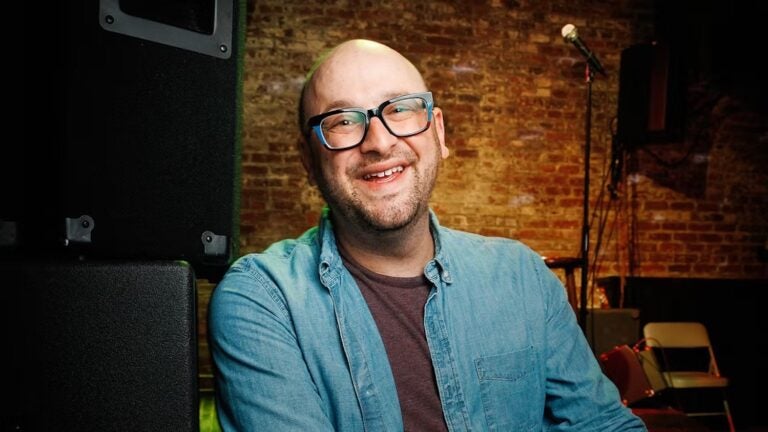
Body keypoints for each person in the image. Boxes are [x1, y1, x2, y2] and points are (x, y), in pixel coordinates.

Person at [209, 39, 646, 431]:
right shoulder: (263, 300)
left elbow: (605, 425)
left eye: (400, 109)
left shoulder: (522, 277)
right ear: (308, 159)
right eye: (343, 120)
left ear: (438, 132)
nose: (379, 142)